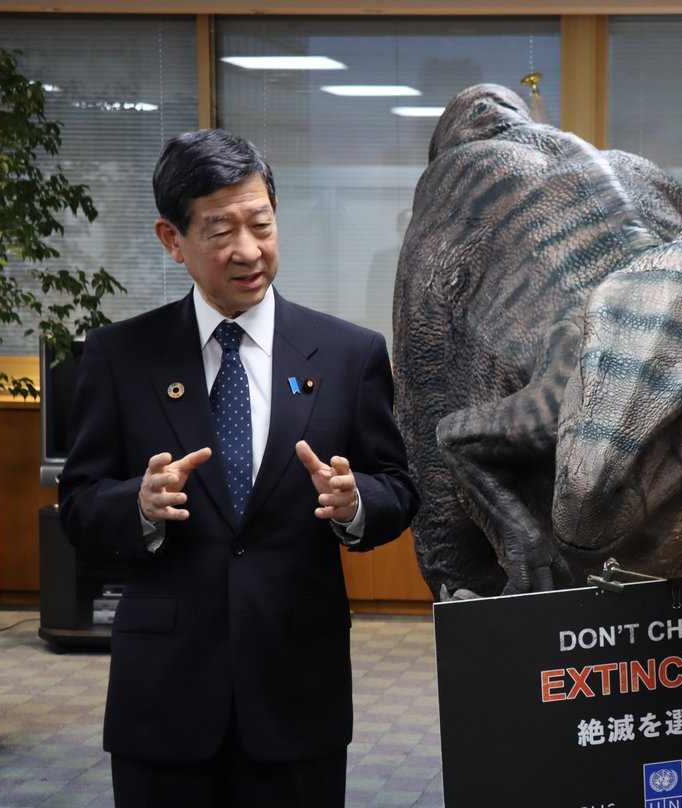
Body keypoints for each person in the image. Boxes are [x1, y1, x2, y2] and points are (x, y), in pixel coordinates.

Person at [58, 129, 419, 808]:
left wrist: (355, 503)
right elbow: (78, 505)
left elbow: (398, 488)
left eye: (261, 223)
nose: (249, 250)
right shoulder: (120, 356)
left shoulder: (348, 355)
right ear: (173, 239)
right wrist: (137, 504)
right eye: (221, 230)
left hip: (295, 691)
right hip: (164, 698)